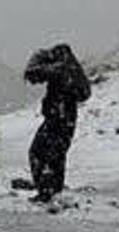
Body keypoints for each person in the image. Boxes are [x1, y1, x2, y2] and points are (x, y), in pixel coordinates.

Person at [24, 43, 91, 204]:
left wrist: (38, 61)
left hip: (58, 118)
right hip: (65, 119)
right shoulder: (69, 69)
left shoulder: (61, 67)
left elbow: (35, 73)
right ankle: (54, 192)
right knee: (56, 156)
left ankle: (47, 192)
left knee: (38, 152)